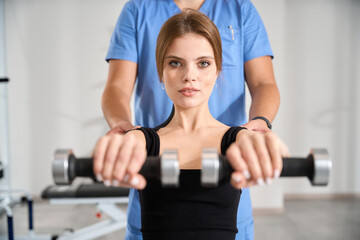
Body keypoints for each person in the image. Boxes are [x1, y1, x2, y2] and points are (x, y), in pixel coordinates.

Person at [96, 8, 288, 240]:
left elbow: (263, 87)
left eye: (203, 64)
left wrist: (262, 135)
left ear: (218, 70)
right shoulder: (142, 141)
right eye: (175, 63)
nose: (189, 75)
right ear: (161, 72)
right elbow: (118, 98)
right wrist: (119, 138)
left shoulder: (237, 139)